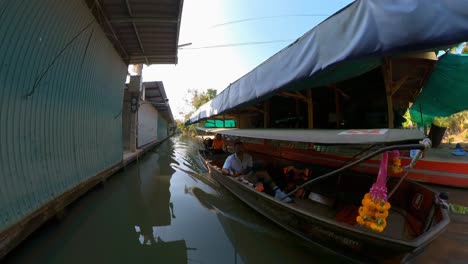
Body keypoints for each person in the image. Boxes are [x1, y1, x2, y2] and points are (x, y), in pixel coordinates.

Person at [222, 141, 293, 203]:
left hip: (247, 176)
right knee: (249, 180)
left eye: (241, 148)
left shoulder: (248, 157)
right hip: (237, 179)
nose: (240, 150)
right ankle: (259, 195)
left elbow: (250, 168)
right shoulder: (230, 158)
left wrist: (244, 172)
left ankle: (278, 192)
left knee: (264, 173)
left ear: (243, 148)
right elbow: (224, 169)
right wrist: (231, 174)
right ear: (234, 149)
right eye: (238, 148)